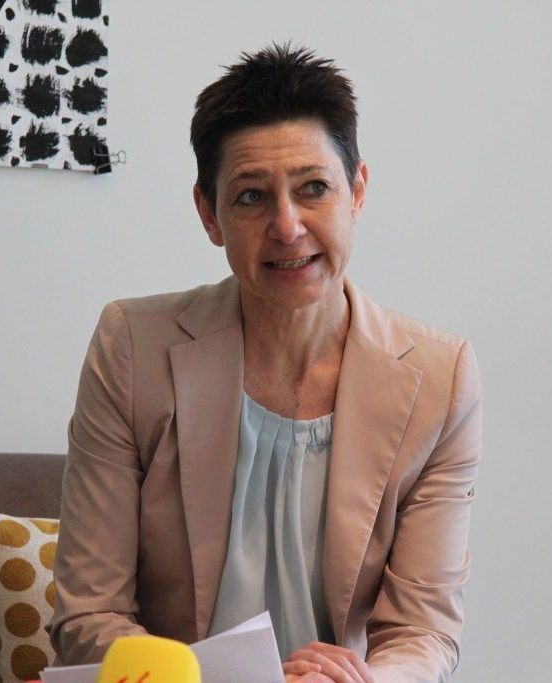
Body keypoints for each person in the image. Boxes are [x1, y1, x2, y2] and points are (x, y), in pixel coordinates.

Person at [48, 44, 482, 683]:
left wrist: (362, 681)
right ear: (209, 214)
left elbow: (424, 632)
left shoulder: (441, 379)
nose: (287, 226)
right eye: (252, 196)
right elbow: (89, 615)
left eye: (314, 189)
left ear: (357, 191)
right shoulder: (133, 347)